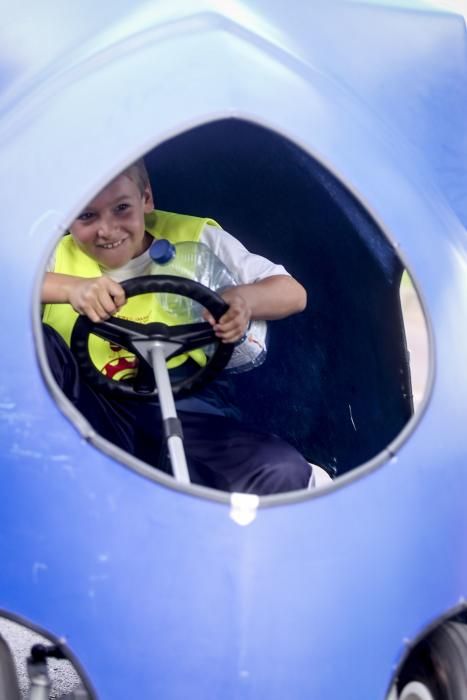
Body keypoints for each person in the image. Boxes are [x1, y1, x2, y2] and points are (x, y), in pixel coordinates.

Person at [41, 158, 314, 495]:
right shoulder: (51, 254)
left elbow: (293, 293)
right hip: (87, 411)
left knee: (281, 470)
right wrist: (70, 288)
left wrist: (241, 300)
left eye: (122, 208)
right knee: (38, 342)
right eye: (87, 215)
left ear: (146, 199)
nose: (106, 230)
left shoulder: (196, 237)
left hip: (189, 411)